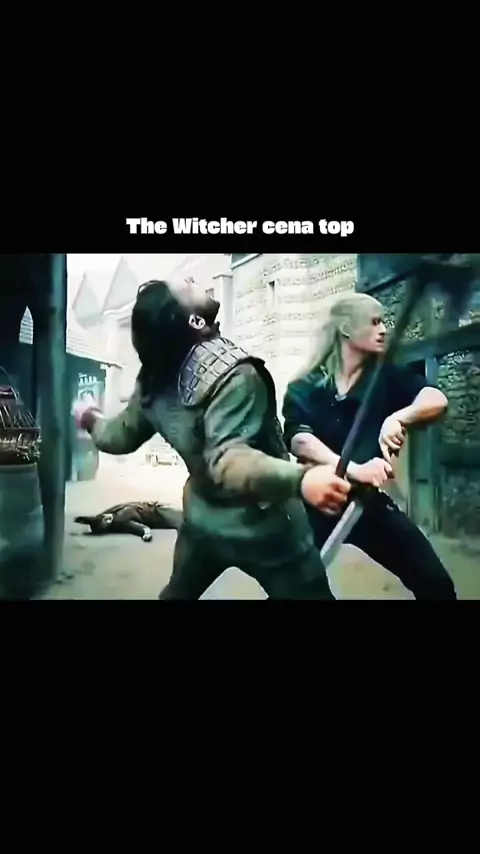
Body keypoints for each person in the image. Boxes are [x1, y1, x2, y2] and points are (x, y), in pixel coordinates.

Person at [74, 279, 351, 600]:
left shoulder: (154, 379)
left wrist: (89, 416)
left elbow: (117, 437)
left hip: (203, 520)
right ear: (195, 321)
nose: (193, 281)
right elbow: (229, 459)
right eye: (186, 287)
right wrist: (301, 479)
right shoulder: (237, 377)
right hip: (266, 529)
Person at [282, 292, 457, 600]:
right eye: (374, 322)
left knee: (436, 585)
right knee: (292, 590)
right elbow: (301, 441)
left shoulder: (386, 377)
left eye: (384, 322)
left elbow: (436, 400)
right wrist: (354, 469)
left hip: (365, 504)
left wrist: (399, 417)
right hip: (318, 502)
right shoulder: (305, 387)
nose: (383, 329)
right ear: (346, 329)